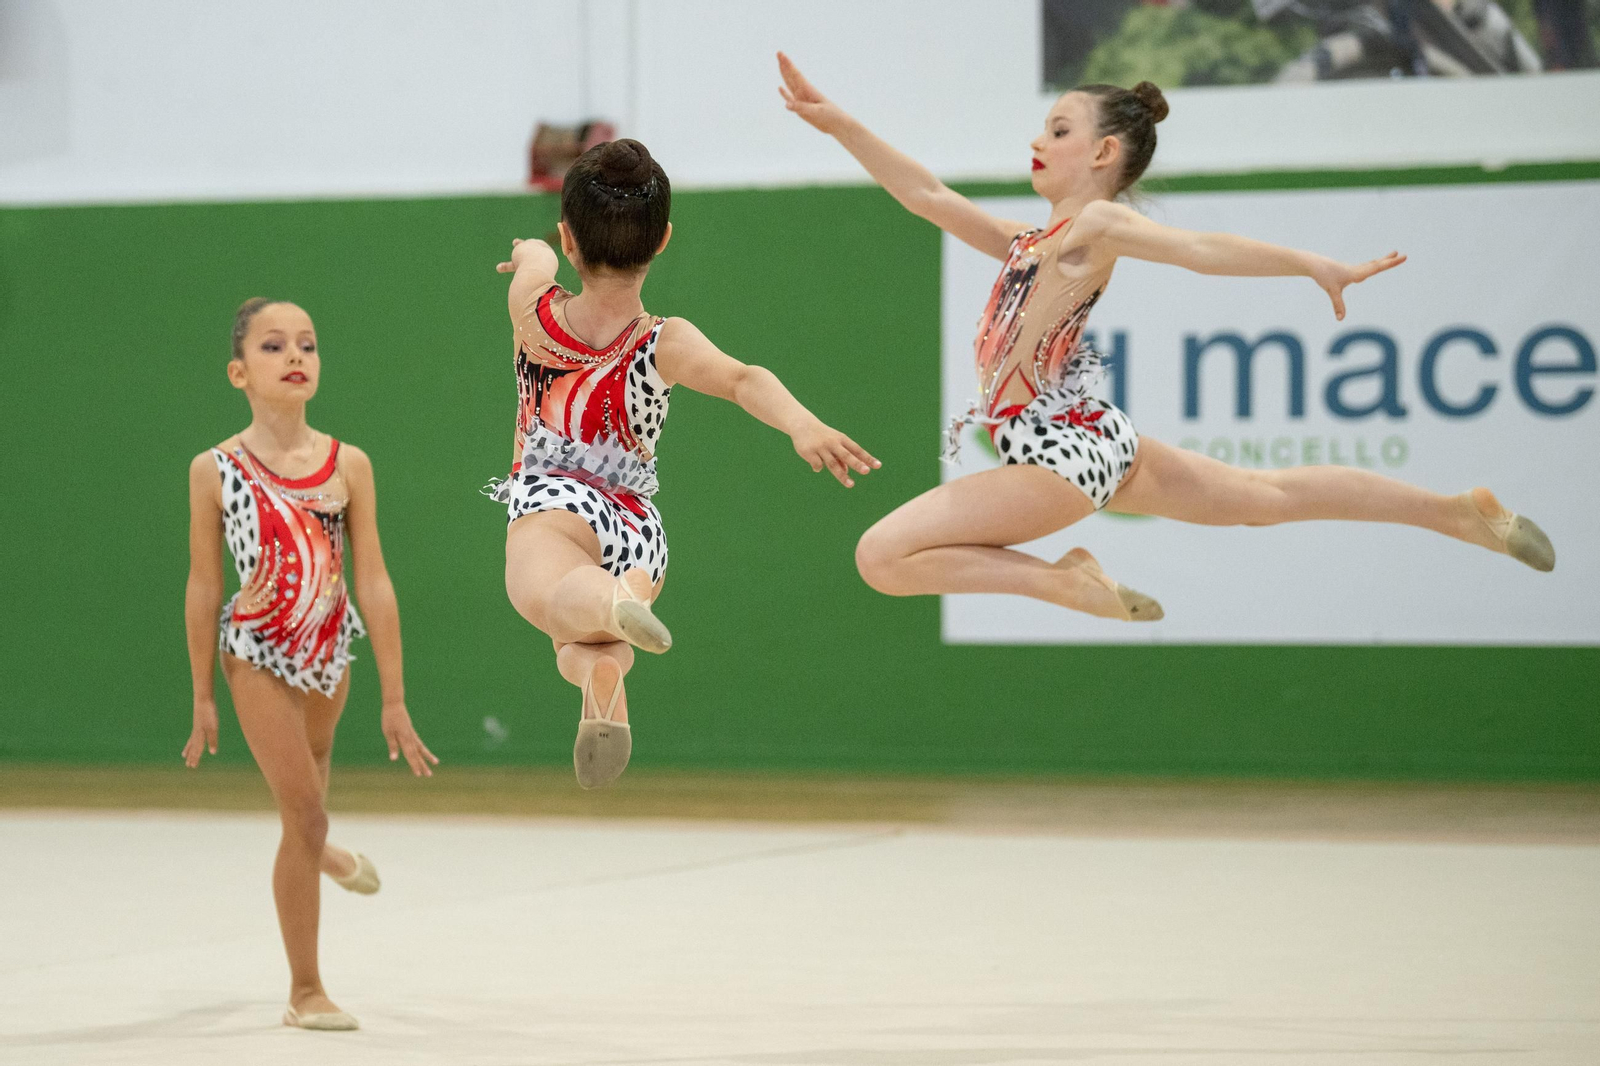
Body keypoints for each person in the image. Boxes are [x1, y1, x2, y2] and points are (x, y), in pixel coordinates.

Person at [776, 53, 1554, 621]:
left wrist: (1312, 264)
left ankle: (1065, 579)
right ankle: (1458, 512)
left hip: (1057, 453)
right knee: (1264, 497)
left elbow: (1199, 251)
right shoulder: (1027, 241)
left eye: (1058, 129)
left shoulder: (1097, 224)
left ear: (1104, 153)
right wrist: (837, 120)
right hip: (1088, 439)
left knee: (880, 558)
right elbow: (926, 193)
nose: (1039, 141)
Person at [489, 138, 878, 788]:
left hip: (554, 502)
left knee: (550, 600)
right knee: (579, 643)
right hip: (638, 529)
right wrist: (801, 424)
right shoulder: (664, 340)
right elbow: (744, 379)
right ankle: (603, 663)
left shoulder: (534, 313)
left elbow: (534, 258)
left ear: (570, 240)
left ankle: (612, 600)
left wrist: (530, 252)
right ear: (662, 240)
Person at [184, 298, 437, 1032]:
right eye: (273, 346)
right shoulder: (215, 469)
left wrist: (394, 695)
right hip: (257, 652)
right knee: (308, 813)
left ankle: (315, 865)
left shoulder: (347, 463)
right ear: (240, 372)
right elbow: (204, 585)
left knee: (301, 819)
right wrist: (202, 690)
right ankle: (306, 990)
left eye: (307, 344)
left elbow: (376, 581)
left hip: (330, 655)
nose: (295, 356)